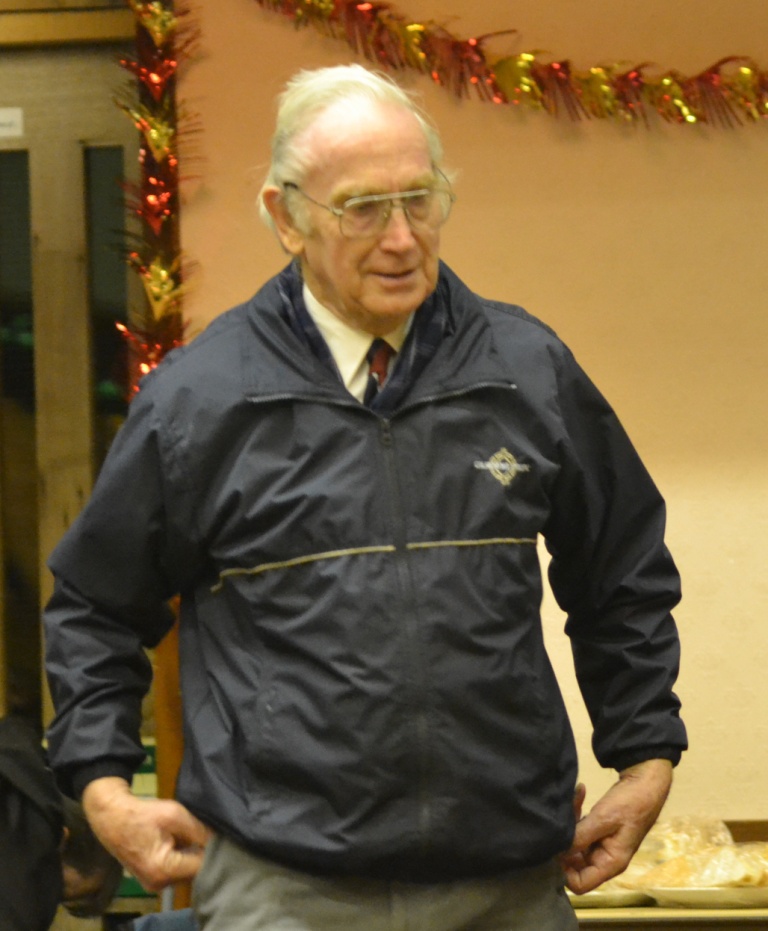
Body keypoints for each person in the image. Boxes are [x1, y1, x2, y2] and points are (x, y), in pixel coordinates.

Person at [43, 63, 687, 930]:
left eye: (420, 199)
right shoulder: (201, 400)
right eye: (363, 208)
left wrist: (646, 754)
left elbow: (622, 567)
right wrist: (103, 787)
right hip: (284, 889)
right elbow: (93, 606)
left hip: (510, 881)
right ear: (287, 217)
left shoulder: (526, 370)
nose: (402, 238)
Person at [0, 713, 123, 929]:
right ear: (62, 839)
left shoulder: (17, 751)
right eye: (59, 887)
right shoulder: (22, 901)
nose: (46, 897)